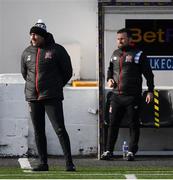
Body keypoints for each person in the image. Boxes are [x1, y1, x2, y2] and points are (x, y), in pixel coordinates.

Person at [21, 19, 76, 171]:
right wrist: (34, 88)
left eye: (35, 35)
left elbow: (67, 72)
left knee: (59, 129)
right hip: (33, 97)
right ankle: (43, 163)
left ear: (43, 36)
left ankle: (69, 164)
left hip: (52, 96)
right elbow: (25, 74)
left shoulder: (57, 50)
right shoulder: (26, 52)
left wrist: (55, 86)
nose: (32, 37)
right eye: (31, 35)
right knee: (38, 131)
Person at [101, 28, 154, 161]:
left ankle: (131, 152)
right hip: (116, 96)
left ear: (130, 39)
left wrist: (150, 91)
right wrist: (109, 79)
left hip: (132, 97)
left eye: (122, 38)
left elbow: (149, 75)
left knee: (133, 124)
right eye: (118, 39)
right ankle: (108, 151)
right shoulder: (115, 54)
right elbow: (110, 69)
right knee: (112, 124)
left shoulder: (138, 54)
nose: (119, 41)